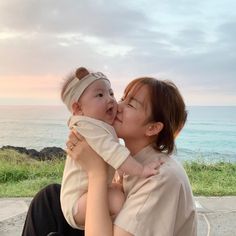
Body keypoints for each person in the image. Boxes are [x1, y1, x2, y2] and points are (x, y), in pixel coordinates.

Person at [22, 76, 197, 236]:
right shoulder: (132, 160)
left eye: (131, 104)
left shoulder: (159, 177)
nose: (116, 105)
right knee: (48, 199)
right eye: (122, 98)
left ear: (152, 128)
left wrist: (95, 171)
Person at [60, 67, 161, 229]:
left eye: (111, 93)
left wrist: (120, 174)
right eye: (100, 95)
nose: (112, 101)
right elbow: (115, 153)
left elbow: (112, 153)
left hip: (87, 194)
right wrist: (141, 170)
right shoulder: (89, 126)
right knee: (119, 201)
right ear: (78, 109)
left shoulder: (98, 125)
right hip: (77, 203)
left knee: (118, 193)